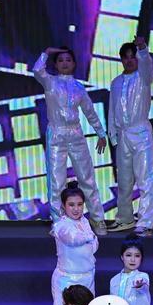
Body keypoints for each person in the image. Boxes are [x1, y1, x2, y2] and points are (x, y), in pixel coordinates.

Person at [33, 46, 108, 231]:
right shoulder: (49, 81)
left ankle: (97, 219)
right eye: (60, 60)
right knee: (56, 181)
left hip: (75, 133)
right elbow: (37, 70)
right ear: (55, 64)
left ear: (74, 64)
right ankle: (59, 223)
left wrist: (100, 133)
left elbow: (89, 111)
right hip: (56, 133)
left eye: (68, 60)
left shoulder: (79, 88)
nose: (65, 63)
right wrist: (47, 52)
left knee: (87, 178)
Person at [108, 38, 153, 235]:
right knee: (124, 180)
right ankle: (125, 218)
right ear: (121, 59)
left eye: (132, 57)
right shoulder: (115, 83)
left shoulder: (143, 77)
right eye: (125, 57)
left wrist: (142, 49)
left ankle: (145, 222)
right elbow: (112, 110)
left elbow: (147, 64)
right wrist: (113, 135)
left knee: (146, 179)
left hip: (141, 133)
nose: (129, 61)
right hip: (123, 135)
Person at [50, 183, 98, 305]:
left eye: (79, 204)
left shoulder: (84, 222)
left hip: (87, 278)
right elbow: (73, 239)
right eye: (71, 205)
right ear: (64, 206)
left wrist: (91, 237)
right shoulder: (61, 226)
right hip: (67, 279)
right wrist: (90, 236)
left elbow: (94, 246)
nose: (76, 209)